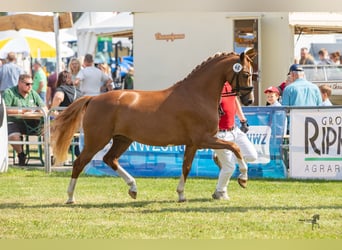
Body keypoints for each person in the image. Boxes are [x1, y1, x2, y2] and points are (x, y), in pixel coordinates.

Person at [212, 82, 258, 200]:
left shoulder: (229, 84)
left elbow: (235, 100)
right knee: (229, 168)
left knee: (252, 155)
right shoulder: (213, 85)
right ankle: (220, 191)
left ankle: (223, 159)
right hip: (220, 134)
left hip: (235, 130)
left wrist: (242, 119)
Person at [2, 74, 47, 166]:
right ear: (19, 83)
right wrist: (22, 111)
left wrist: (40, 109)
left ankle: (50, 156)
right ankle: (21, 155)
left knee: (49, 132)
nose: (30, 86)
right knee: (13, 136)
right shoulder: (9, 92)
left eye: (31, 84)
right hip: (15, 121)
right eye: (27, 84)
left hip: (32, 122)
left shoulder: (33, 93)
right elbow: (5, 109)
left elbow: (44, 107)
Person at [51, 71, 83, 158]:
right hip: (78, 123)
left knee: (48, 132)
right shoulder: (78, 91)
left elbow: (58, 97)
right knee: (76, 144)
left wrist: (54, 110)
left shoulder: (61, 89)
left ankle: (54, 156)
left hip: (66, 123)